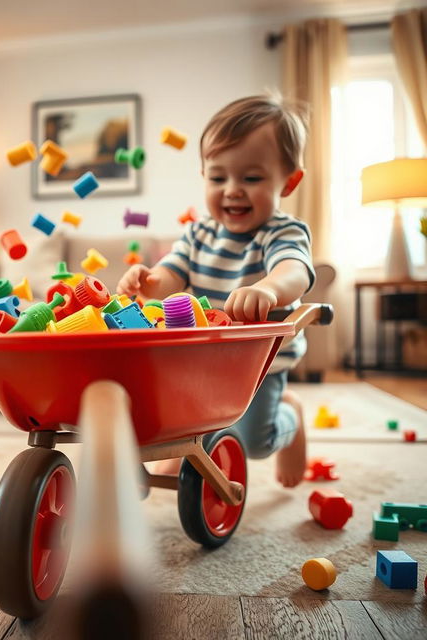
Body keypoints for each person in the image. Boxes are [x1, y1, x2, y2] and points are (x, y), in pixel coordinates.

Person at [117, 94, 315, 488]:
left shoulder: (283, 231)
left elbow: (296, 269)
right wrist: (148, 282)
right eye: (218, 177)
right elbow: (172, 273)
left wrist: (269, 288)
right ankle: (186, 451)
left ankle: (289, 416)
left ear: (288, 181)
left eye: (252, 178)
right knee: (179, 413)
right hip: (201, 356)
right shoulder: (198, 232)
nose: (233, 190)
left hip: (260, 362)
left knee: (256, 444)